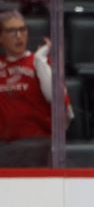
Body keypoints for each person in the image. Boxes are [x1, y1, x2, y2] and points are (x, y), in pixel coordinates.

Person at [0, 9, 71, 167]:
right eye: (12, 31)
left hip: (39, 145)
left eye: (22, 29)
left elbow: (57, 100)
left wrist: (40, 62)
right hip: (3, 147)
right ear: (1, 37)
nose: (19, 36)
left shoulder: (42, 63)